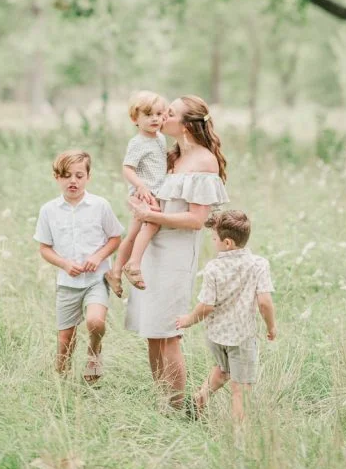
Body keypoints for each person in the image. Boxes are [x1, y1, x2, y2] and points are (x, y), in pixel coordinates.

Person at [125, 95, 228, 410]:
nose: (161, 117)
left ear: (185, 126)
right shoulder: (169, 158)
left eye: (169, 113)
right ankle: (162, 403)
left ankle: (177, 406)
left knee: (169, 334)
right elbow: (148, 196)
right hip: (151, 251)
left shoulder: (204, 161)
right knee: (153, 333)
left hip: (175, 256)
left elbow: (196, 220)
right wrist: (139, 206)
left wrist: (154, 217)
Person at [176, 209, 276, 422]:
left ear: (228, 243)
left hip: (216, 336)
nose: (213, 242)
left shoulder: (213, 268)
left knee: (223, 370)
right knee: (241, 390)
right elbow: (265, 303)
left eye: (214, 238)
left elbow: (206, 306)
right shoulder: (259, 265)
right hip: (242, 338)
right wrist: (271, 327)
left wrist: (189, 320)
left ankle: (199, 400)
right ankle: (239, 439)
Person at [34, 150, 124, 382]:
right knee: (65, 339)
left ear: (88, 177)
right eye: (66, 175)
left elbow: (115, 238)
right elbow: (44, 248)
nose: (72, 181)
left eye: (78, 175)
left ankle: (94, 352)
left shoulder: (100, 205)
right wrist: (64, 264)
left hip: (96, 279)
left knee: (95, 321)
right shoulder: (49, 210)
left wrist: (97, 257)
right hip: (68, 283)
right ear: (57, 178)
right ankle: (61, 382)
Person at [106, 90, 168, 297]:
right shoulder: (138, 142)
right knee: (153, 221)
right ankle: (133, 264)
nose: (155, 119)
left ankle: (115, 272)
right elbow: (127, 168)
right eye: (149, 114)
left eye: (159, 114)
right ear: (135, 118)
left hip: (154, 191)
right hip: (145, 193)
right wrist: (140, 186)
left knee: (132, 234)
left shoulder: (160, 138)